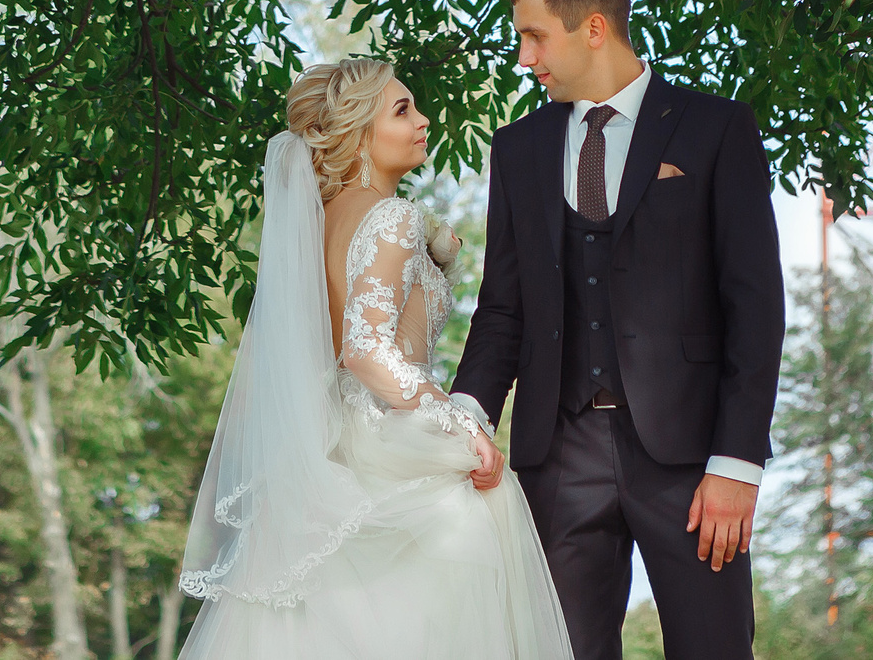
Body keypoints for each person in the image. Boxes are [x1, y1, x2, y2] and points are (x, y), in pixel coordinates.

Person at [174, 60, 574, 660]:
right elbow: (365, 353)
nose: (423, 120)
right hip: (387, 442)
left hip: (333, 446)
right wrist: (460, 424)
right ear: (360, 134)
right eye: (402, 110)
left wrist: (437, 266)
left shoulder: (317, 225)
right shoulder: (392, 216)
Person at [450, 0, 785, 660]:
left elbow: (755, 307)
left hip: (691, 459)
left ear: (594, 29)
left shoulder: (715, 128)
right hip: (557, 456)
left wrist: (737, 462)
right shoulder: (518, 148)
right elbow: (503, 306)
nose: (524, 57)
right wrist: (466, 416)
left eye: (536, 36)